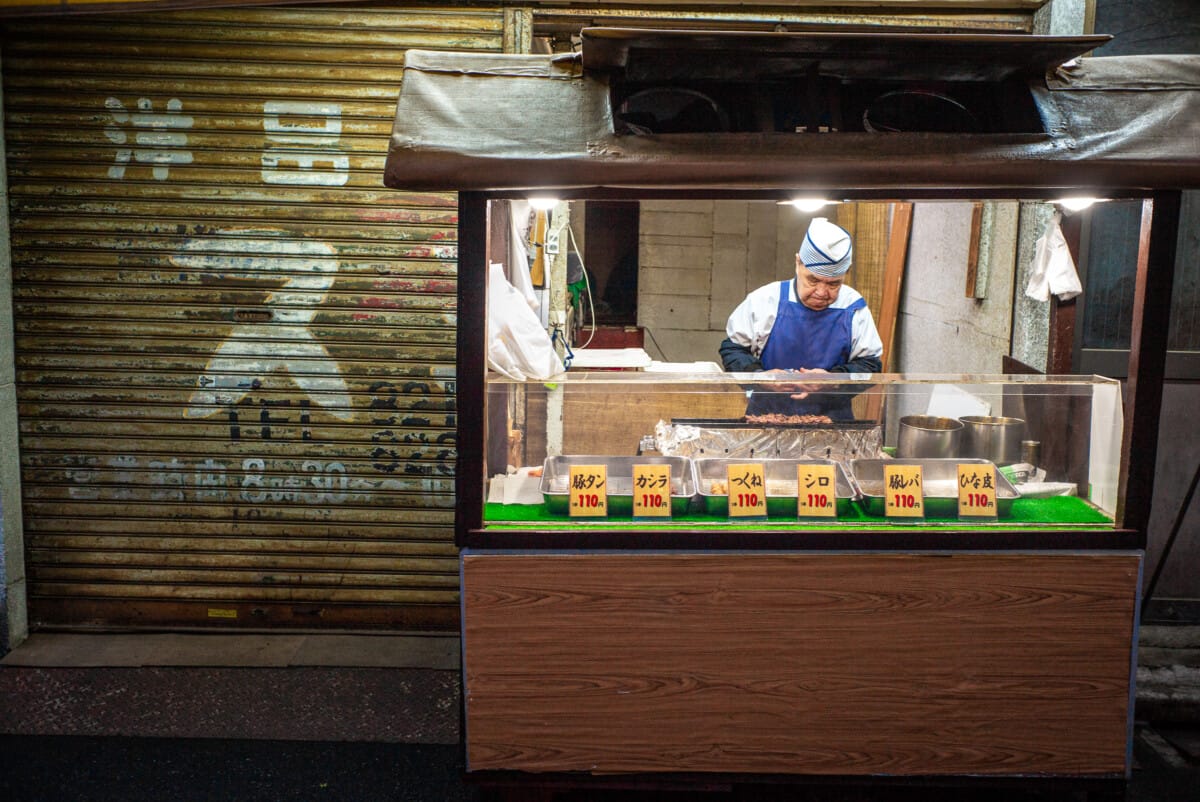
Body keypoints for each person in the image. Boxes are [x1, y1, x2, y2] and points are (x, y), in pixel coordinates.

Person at [719, 217, 883, 421]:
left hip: (831, 423)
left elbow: (870, 365)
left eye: (834, 284)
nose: (822, 292)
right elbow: (733, 351)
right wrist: (761, 377)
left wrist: (832, 380)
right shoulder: (765, 300)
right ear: (798, 263)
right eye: (813, 280)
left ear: (845, 275)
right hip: (767, 420)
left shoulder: (853, 307)